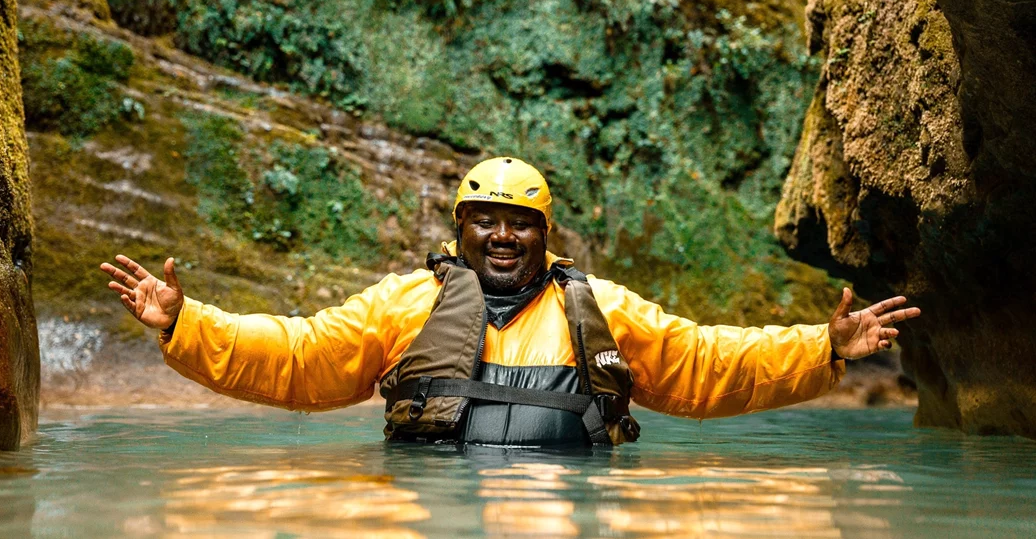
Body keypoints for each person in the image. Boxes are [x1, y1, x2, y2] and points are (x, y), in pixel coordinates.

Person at [100, 157, 920, 447]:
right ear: (459, 229)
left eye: (519, 222)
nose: (501, 235)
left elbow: (705, 360)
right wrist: (186, 323)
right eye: (484, 220)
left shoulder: (598, 308)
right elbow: (301, 354)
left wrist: (822, 345)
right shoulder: (407, 302)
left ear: (544, 233)